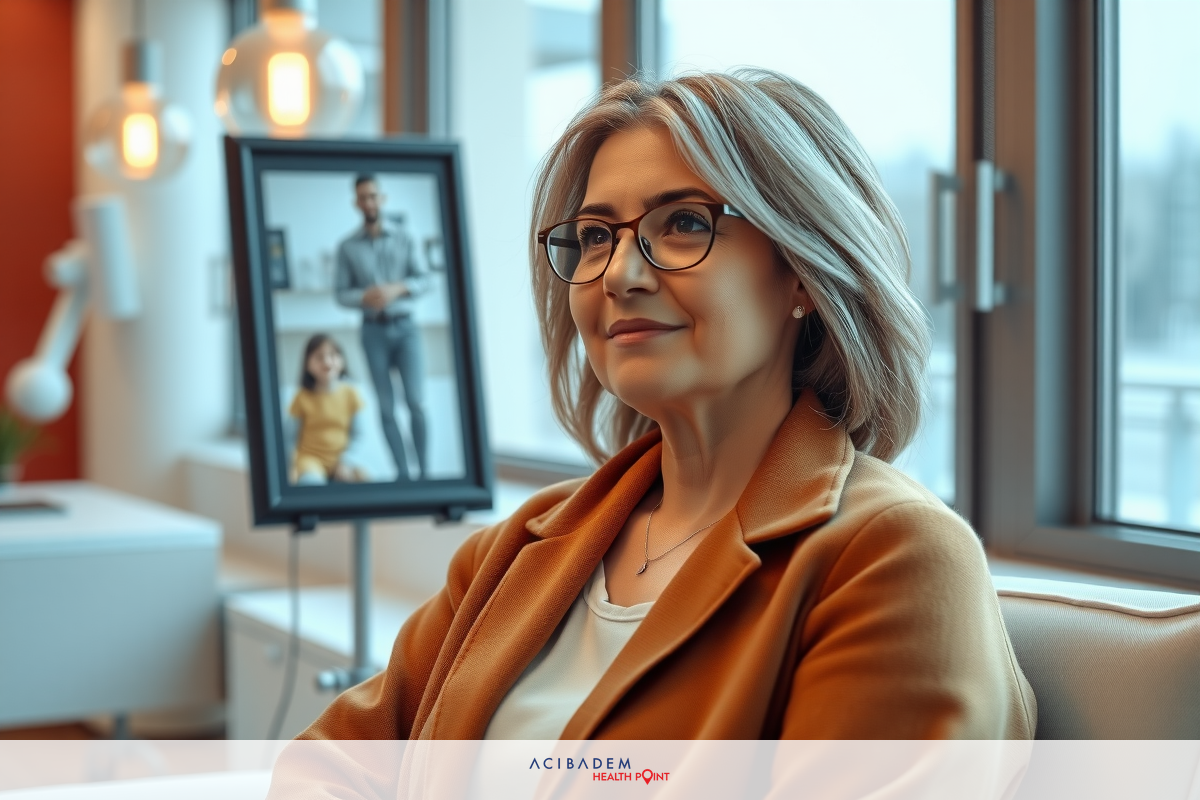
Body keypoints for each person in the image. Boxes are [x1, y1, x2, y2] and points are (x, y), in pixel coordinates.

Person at [290, 70, 1036, 743]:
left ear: (803, 273)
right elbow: (328, 768)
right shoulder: (512, 551)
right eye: (592, 236)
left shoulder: (892, 557)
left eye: (682, 222)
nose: (618, 273)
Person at [335, 174, 430, 480]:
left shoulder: (406, 236)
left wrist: (397, 289)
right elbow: (340, 293)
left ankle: (424, 474)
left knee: (415, 401)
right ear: (356, 203)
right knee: (386, 408)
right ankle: (403, 474)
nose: (369, 202)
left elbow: (425, 279)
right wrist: (364, 296)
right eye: (363, 197)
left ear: (382, 198)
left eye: (373, 196)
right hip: (372, 331)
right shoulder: (347, 246)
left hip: (406, 328)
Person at [288, 333, 369, 485]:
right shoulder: (301, 397)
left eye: (332, 355)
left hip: (342, 460)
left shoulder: (351, 393)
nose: (326, 361)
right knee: (310, 484)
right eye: (319, 357)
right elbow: (290, 438)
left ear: (342, 360)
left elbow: (358, 435)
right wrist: (291, 467)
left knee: (367, 482)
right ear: (307, 364)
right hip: (310, 461)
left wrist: (346, 460)